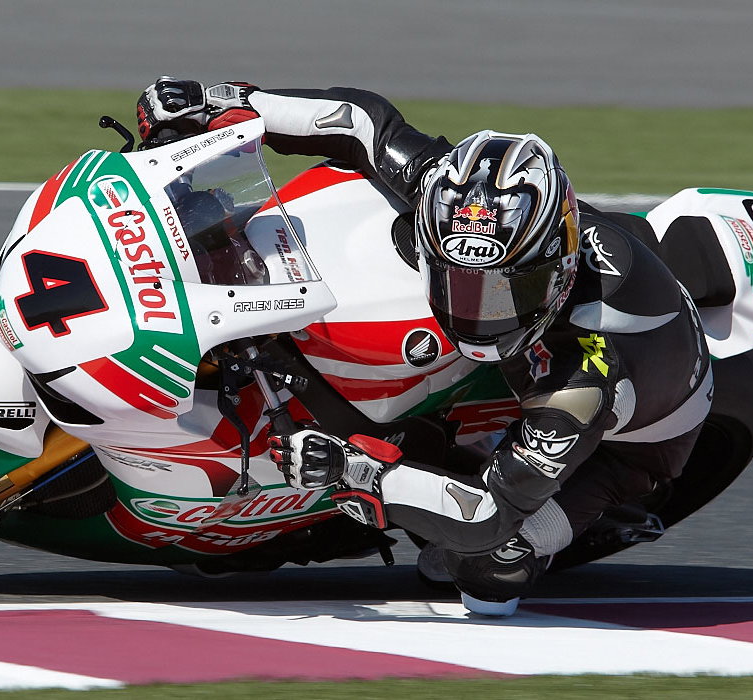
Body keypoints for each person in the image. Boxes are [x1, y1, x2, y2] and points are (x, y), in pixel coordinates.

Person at [137, 78, 713, 614]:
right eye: (457, 282)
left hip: (631, 442)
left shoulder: (582, 382)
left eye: (503, 292)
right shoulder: (459, 197)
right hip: (551, 336)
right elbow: (361, 121)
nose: (477, 313)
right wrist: (223, 104)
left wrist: (355, 472)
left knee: (482, 567)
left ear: (555, 272)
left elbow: (486, 517)